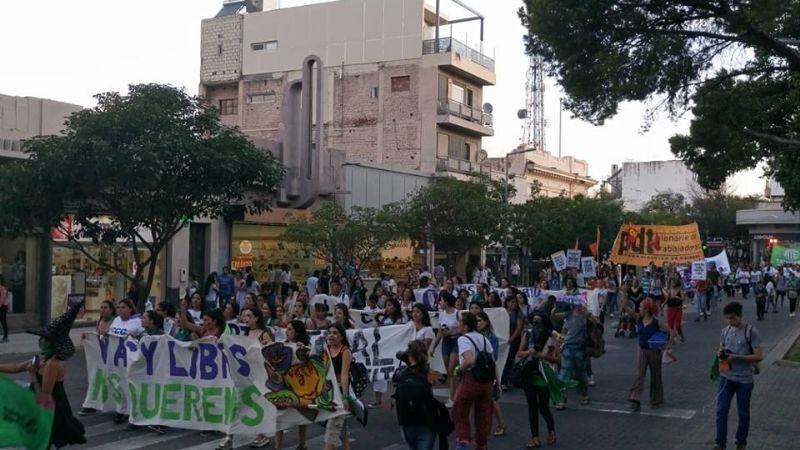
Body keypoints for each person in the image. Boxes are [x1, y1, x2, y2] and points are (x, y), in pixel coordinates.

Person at [2, 301, 87, 447]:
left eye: (45, 339)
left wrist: (33, 375)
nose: (41, 341)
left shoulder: (52, 365)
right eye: (41, 338)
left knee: (42, 442)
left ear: (53, 344)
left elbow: (45, 397)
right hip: (39, 406)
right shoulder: (43, 358)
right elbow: (16, 367)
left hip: (50, 409)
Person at [715, 302, 763, 450]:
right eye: (727, 318)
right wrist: (721, 355)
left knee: (743, 412)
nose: (730, 321)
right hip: (726, 378)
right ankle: (720, 443)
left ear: (740, 316)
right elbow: (722, 348)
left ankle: (741, 442)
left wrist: (736, 357)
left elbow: (759, 356)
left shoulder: (751, 332)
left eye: (732, 318)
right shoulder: (725, 331)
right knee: (721, 411)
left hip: (744, 380)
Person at [516, 311, 558, 448]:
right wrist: (529, 352)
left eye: (539, 322)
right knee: (532, 406)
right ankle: (535, 437)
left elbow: (557, 359)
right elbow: (520, 353)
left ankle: (551, 429)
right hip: (529, 372)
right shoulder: (528, 334)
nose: (536, 325)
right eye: (534, 322)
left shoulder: (552, 337)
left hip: (544, 373)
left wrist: (541, 355)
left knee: (543, 406)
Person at [452, 312, 493, 450]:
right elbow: (492, 363)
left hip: (471, 379)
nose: (457, 325)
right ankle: (481, 445)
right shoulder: (484, 339)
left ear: (464, 325)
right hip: (487, 382)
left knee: (460, 411)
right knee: (482, 417)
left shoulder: (463, 339)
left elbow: (468, 360)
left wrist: (458, 369)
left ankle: (463, 443)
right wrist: (497, 383)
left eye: (459, 322)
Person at [622, 296, 670, 412]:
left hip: (654, 351)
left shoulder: (657, 321)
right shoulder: (638, 318)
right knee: (640, 375)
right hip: (643, 350)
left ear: (647, 310)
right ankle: (635, 399)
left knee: (655, 375)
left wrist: (663, 343)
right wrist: (624, 293)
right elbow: (625, 307)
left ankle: (656, 400)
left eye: (641, 307)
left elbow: (669, 332)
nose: (639, 309)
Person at [392, 340, 441, 450]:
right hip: (426, 421)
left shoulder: (402, 373)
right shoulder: (429, 372)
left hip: (406, 422)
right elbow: (432, 385)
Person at [551, 302, 590, 409]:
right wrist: (554, 308)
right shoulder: (569, 315)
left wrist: (587, 314)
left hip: (580, 348)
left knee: (581, 373)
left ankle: (584, 394)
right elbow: (555, 319)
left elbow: (597, 324)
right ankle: (561, 398)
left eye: (580, 304)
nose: (578, 306)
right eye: (577, 304)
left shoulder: (586, 316)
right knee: (564, 371)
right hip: (568, 347)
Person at [475, 311, 506, 438]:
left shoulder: (491, 337)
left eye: (479, 321)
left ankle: (501, 424)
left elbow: (493, 358)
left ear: (486, 322)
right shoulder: (474, 335)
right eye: (476, 321)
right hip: (475, 369)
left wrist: (496, 378)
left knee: (491, 399)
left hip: (487, 369)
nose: (477, 323)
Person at [324, 323, 352, 450]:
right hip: (329, 393)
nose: (331, 335)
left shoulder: (345, 351)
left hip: (339, 394)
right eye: (329, 332)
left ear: (341, 337)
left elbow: (345, 375)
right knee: (343, 433)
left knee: (332, 431)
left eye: (335, 333)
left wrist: (345, 397)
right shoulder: (326, 350)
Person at [430, 293, 459, 407]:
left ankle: (453, 397)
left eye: (441, 301)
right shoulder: (442, 315)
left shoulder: (457, 314)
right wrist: (434, 346)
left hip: (456, 341)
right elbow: (440, 332)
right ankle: (454, 393)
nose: (440, 303)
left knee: (452, 369)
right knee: (449, 371)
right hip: (446, 342)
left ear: (446, 302)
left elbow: (463, 329)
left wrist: (452, 332)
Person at [501, 296, 524, 390]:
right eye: (511, 302)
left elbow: (519, 328)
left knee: (508, 361)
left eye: (515, 302)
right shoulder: (502, 311)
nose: (513, 304)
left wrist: (512, 338)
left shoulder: (518, 313)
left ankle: (504, 382)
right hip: (502, 340)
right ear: (507, 303)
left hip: (513, 341)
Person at [665, 279, 686, 343]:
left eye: (672, 283)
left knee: (677, 325)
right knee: (670, 325)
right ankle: (672, 337)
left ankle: (681, 335)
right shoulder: (669, 291)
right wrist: (662, 305)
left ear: (676, 283)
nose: (671, 284)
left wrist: (678, 298)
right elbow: (666, 299)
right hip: (670, 309)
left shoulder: (680, 290)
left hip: (677, 309)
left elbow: (683, 299)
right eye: (671, 283)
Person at [0, 275, 8, 343]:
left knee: (3, 321)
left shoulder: (2, 288)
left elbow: (2, 299)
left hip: (2, 307)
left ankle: (5, 337)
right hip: (2, 306)